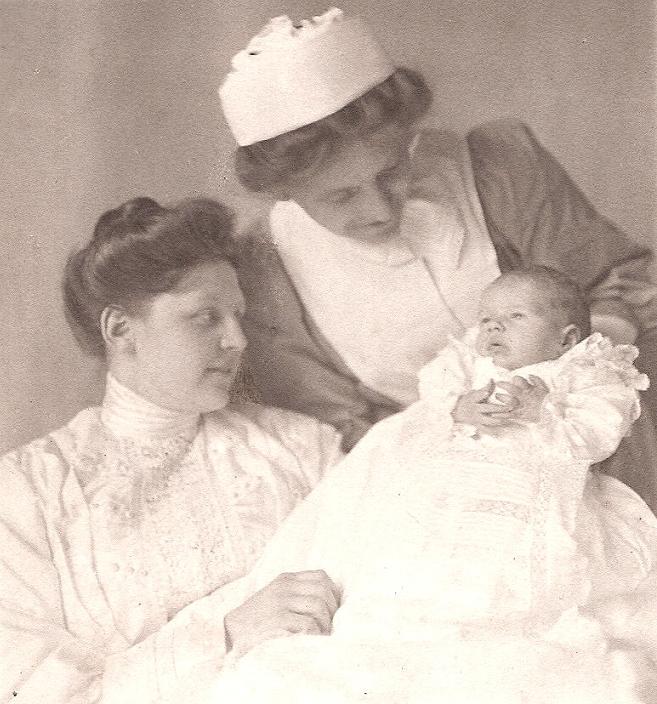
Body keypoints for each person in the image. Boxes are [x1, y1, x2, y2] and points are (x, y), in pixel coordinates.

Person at [218, 7, 657, 509]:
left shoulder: (496, 171)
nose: (379, 209)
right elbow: (344, 431)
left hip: (619, 439)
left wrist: (576, 383)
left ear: (407, 138)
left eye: (392, 171)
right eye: (339, 198)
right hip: (447, 487)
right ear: (285, 191)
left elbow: (619, 280)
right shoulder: (266, 273)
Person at [211, 268, 657, 703]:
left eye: (517, 316)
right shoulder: (469, 364)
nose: (495, 327)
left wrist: (541, 411)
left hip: (540, 486)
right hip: (454, 478)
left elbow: (596, 436)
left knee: (527, 570)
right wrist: (459, 407)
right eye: (487, 319)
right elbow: (433, 399)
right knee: (421, 547)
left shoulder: (586, 374)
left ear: (566, 338)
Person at [0, 197, 344, 703]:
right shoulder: (28, 492)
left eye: (238, 316)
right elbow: (35, 692)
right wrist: (223, 634)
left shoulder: (302, 449)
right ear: (120, 329)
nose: (238, 340)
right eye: (206, 317)